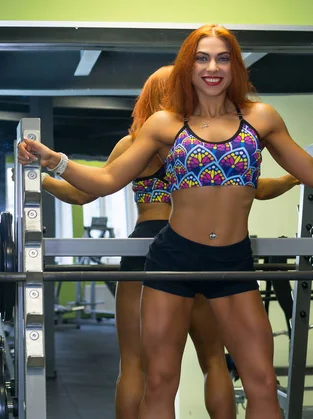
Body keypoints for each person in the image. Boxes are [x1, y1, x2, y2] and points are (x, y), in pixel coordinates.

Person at [18, 24, 313, 419]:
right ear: (187, 67)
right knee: (159, 381)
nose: (213, 67)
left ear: (235, 66)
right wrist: (54, 161)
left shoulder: (261, 119)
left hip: (232, 262)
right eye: (203, 58)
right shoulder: (164, 125)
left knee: (260, 381)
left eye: (223, 58)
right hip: (172, 260)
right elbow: (105, 181)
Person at [40, 65, 299, 419]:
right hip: (201, 250)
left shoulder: (136, 144)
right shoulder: (203, 143)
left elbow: (83, 193)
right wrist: (292, 178)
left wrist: (41, 179)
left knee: (136, 365)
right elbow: (258, 189)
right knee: (214, 361)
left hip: (148, 249)